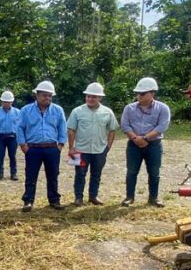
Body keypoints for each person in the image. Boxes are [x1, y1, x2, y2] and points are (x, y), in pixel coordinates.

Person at [16, 80, 68, 212]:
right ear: (37, 95)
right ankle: (28, 201)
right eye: (44, 95)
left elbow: (62, 127)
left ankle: (54, 200)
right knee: (31, 175)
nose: (47, 98)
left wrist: (60, 145)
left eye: (50, 95)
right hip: (33, 148)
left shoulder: (57, 110)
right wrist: (23, 145)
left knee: (53, 175)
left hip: (52, 148)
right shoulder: (26, 110)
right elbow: (20, 128)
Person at [120, 77, 171, 207]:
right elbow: (125, 125)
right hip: (133, 144)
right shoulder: (129, 108)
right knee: (132, 171)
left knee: (154, 172)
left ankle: (153, 198)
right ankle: (129, 197)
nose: (139, 96)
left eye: (142, 93)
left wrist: (145, 138)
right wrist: (136, 139)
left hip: (154, 145)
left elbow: (162, 127)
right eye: (138, 93)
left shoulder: (163, 108)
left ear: (152, 93)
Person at [66, 82, 119, 206]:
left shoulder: (107, 112)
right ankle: (78, 198)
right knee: (79, 174)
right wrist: (71, 148)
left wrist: (108, 147)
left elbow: (112, 130)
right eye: (88, 96)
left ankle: (93, 196)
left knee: (96, 174)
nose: (90, 99)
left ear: (100, 98)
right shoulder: (77, 111)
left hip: (100, 150)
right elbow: (71, 130)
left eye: (93, 97)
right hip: (80, 150)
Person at [0, 91, 21, 181]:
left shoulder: (17, 112)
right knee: (0, 155)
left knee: (12, 156)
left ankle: (13, 174)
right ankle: (0, 173)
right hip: (0, 137)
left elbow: (20, 126)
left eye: (9, 102)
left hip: (13, 137)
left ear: (12, 102)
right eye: (5, 102)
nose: (7, 103)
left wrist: (20, 138)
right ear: (2, 101)